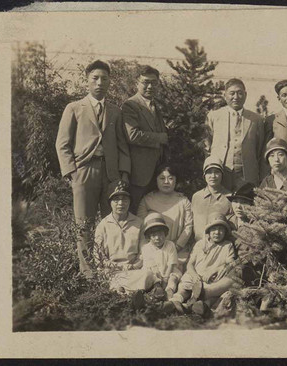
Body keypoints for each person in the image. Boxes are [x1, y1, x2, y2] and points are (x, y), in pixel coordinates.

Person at [56, 60, 131, 278]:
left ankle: (112, 270)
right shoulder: (74, 108)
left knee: (113, 221)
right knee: (84, 223)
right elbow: (62, 143)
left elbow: (122, 144)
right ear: (87, 81)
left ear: (109, 82)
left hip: (111, 173)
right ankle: (88, 273)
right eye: (95, 78)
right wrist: (71, 172)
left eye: (104, 79)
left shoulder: (115, 111)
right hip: (84, 171)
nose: (100, 83)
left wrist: (123, 173)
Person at [122, 65, 168, 214]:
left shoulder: (156, 106)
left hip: (156, 172)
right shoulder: (131, 105)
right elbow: (133, 135)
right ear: (137, 83)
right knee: (134, 213)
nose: (150, 86)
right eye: (145, 82)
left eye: (154, 83)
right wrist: (160, 138)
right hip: (138, 174)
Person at [204, 78, 266, 190]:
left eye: (240, 93)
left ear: (245, 95)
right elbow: (207, 146)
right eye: (232, 93)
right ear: (225, 95)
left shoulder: (256, 119)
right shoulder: (214, 116)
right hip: (221, 174)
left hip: (247, 175)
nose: (236, 97)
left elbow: (260, 150)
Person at [170, 212, 236, 314]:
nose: (217, 233)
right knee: (184, 287)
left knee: (214, 291)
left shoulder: (227, 245)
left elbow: (231, 263)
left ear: (225, 232)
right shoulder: (200, 244)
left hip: (210, 280)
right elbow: (190, 264)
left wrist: (217, 269)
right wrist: (194, 275)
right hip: (195, 276)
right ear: (208, 231)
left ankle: (196, 306)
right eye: (214, 229)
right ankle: (175, 302)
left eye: (221, 230)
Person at [93, 180, 152, 293]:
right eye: (116, 199)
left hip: (134, 269)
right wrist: (116, 266)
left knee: (148, 275)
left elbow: (144, 252)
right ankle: (132, 293)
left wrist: (134, 265)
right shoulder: (103, 225)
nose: (121, 203)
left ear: (130, 201)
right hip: (112, 270)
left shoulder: (139, 223)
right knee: (107, 277)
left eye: (125, 199)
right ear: (110, 202)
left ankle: (122, 292)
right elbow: (98, 256)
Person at [136, 164, 193, 269]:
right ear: (156, 180)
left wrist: (176, 247)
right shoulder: (147, 200)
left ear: (176, 180)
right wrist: (146, 250)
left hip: (177, 250)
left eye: (170, 178)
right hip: (151, 250)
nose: (166, 182)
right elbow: (141, 228)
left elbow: (188, 227)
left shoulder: (183, 201)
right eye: (162, 178)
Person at [140, 212, 182, 299]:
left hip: (169, 271)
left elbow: (171, 263)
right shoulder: (146, 248)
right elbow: (152, 266)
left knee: (173, 278)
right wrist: (159, 281)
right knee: (149, 276)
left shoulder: (170, 245)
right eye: (153, 235)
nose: (157, 238)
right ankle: (157, 290)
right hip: (153, 272)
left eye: (160, 234)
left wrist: (166, 278)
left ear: (165, 234)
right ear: (149, 237)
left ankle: (169, 292)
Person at [191, 156, 232, 242]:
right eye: (209, 172)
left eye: (217, 172)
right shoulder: (197, 197)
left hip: (221, 246)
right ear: (204, 175)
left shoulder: (229, 197)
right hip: (198, 245)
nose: (213, 176)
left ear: (222, 175)